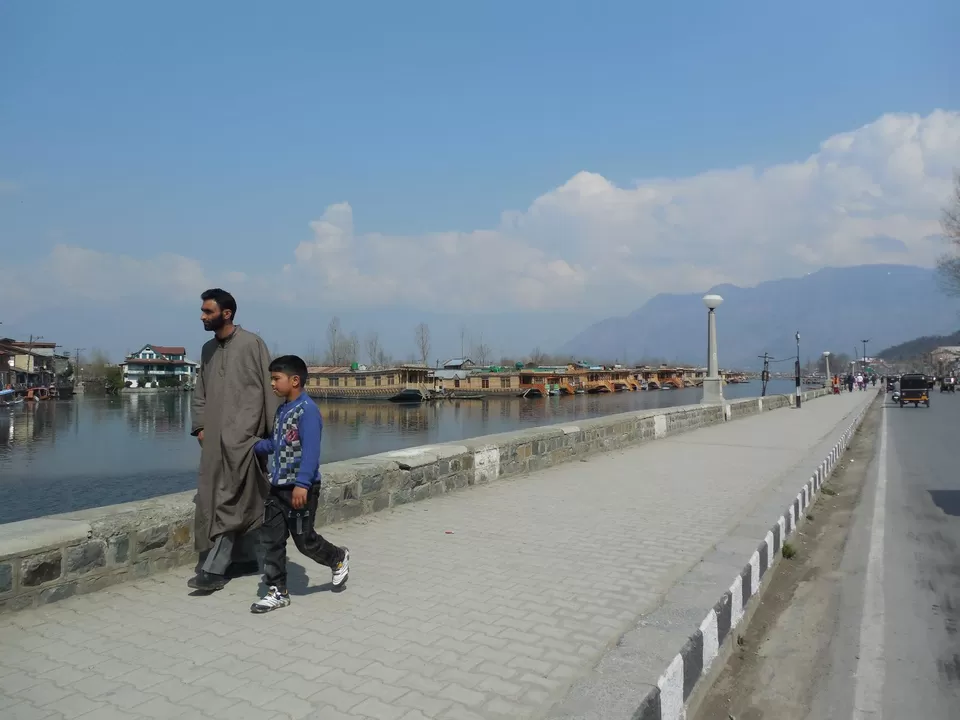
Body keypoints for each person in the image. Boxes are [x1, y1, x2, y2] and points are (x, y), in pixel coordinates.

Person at [188, 288, 280, 592]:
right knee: (213, 497)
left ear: (226, 313)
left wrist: (272, 436)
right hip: (213, 441)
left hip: (245, 439)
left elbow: (269, 392)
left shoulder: (253, 344)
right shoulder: (206, 350)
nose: (202, 316)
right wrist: (200, 427)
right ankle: (243, 560)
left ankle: (214, 570)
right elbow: (200, 392)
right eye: (202, 311)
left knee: (232, 497)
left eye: (208, 311)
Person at [250, 354, 350, 613]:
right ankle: (277, 591)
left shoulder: (308, 411)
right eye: (271, 379)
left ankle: (337, 557)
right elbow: (278, 444)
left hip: (301, 488)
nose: (272, 384)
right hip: (278, 487)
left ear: (295, 380)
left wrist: (302, 484)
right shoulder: (282, 411)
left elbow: (311, 452)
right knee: (271, 539)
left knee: (304, 541)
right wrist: (253, 447)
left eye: (276, 379)